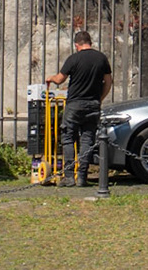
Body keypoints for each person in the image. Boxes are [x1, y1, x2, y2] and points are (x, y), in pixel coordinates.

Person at [47, 30, 112, 185]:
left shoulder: (74, 59)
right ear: (90, 42)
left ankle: (69, 177)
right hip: (93, 104)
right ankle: (82, 177)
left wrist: (50, 78)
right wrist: (99, 99)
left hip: (74, 104)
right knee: (87, 139)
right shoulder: (101, 58)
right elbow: (108, 82)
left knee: (68, 137)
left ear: (77, 45)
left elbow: (60, 79)